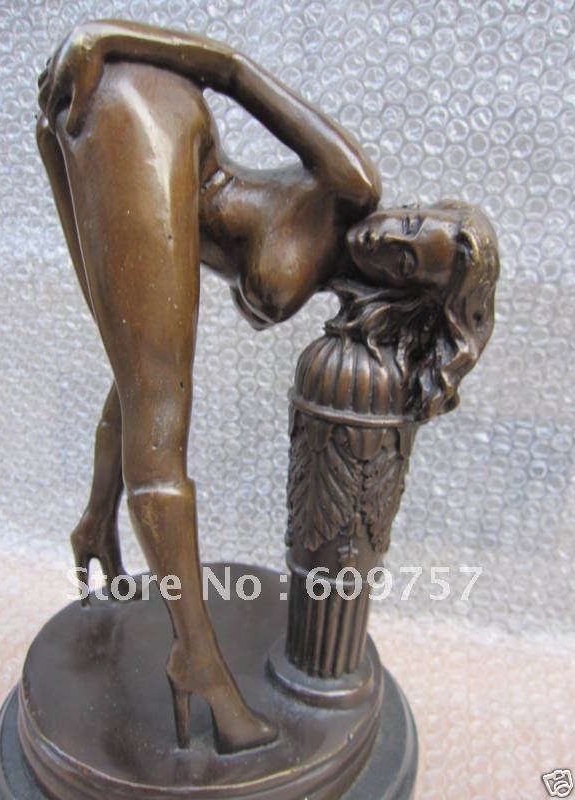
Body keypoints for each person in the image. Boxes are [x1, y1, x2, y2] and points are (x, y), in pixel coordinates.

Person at [37, 20, 498, 754]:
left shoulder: (340, 285)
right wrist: (102, 36)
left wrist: (100, 507)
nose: (388, 238)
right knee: (161, 423)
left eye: (407, 261)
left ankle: (96, 526)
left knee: (145, 387)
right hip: (152, 124)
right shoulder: (352, 185)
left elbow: (136, 378)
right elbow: (231, 68)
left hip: (148, 157)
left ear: (411, 296)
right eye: (411, 222)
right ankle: (198, 662)